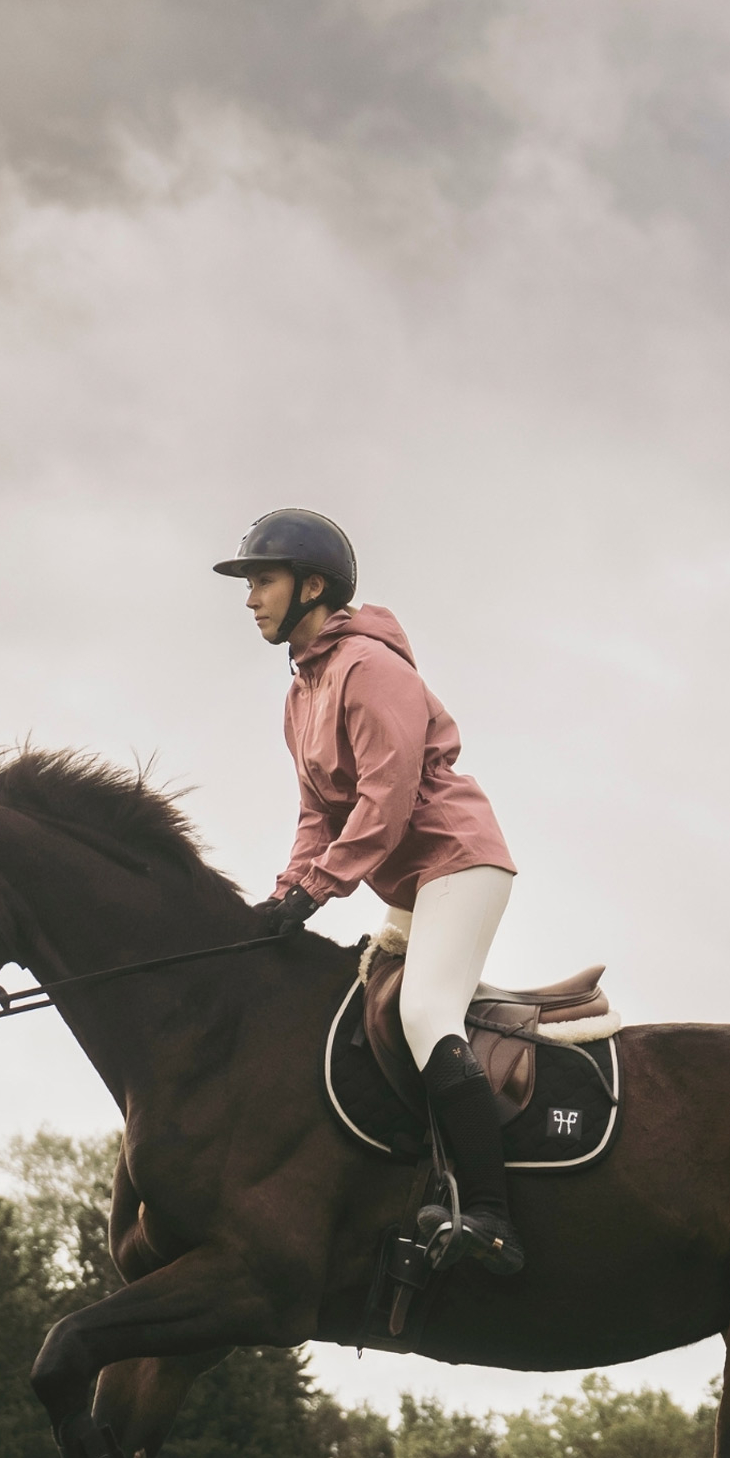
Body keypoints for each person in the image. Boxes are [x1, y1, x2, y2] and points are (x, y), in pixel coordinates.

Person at [214, 508, 524, 1276]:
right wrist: (285, 893)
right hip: (408, 879)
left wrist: (316, 890)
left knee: (424, 1011)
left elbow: (382, 805)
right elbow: (316, 814)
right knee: (360, 1013)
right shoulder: (300, 695)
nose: (250, 597)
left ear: (311, 585)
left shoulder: (370, 669)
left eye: (263, 580)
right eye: (249, 583)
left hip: (458, 861)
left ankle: (492, 1216)